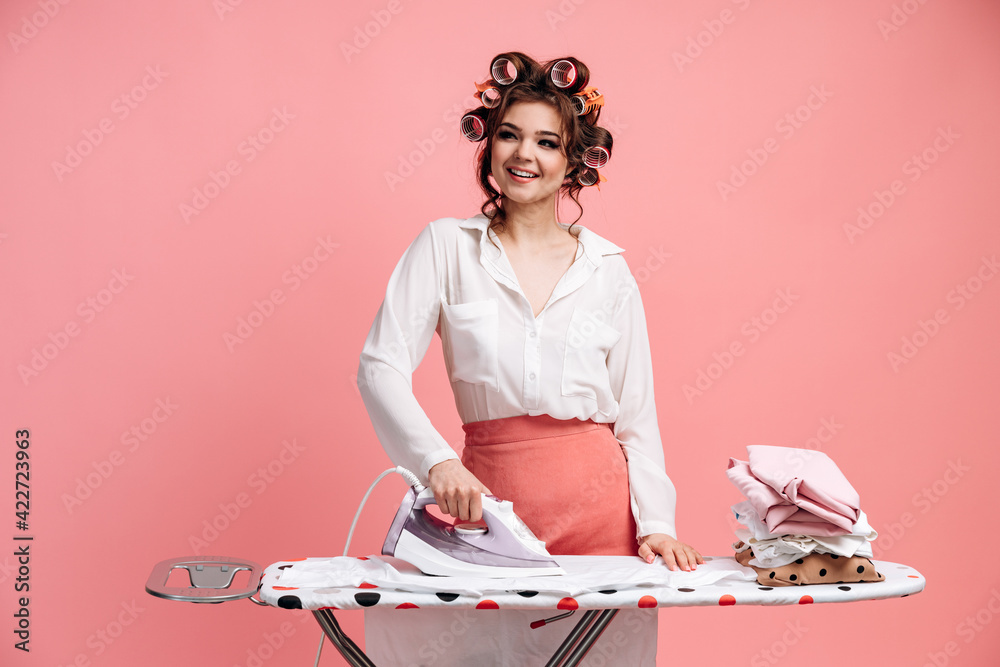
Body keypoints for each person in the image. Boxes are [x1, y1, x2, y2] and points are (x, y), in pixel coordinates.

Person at [357, 51, 701, 666]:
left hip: (605, 524)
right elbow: (379, 368)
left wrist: (658, 523)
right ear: (488, 145)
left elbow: (637, 417)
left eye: (548, 142)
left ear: (574, 162)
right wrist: (436, 464)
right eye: (510, 135)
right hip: (488, 521)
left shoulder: (609, 271)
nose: (525, 155)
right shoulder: (443, 248)